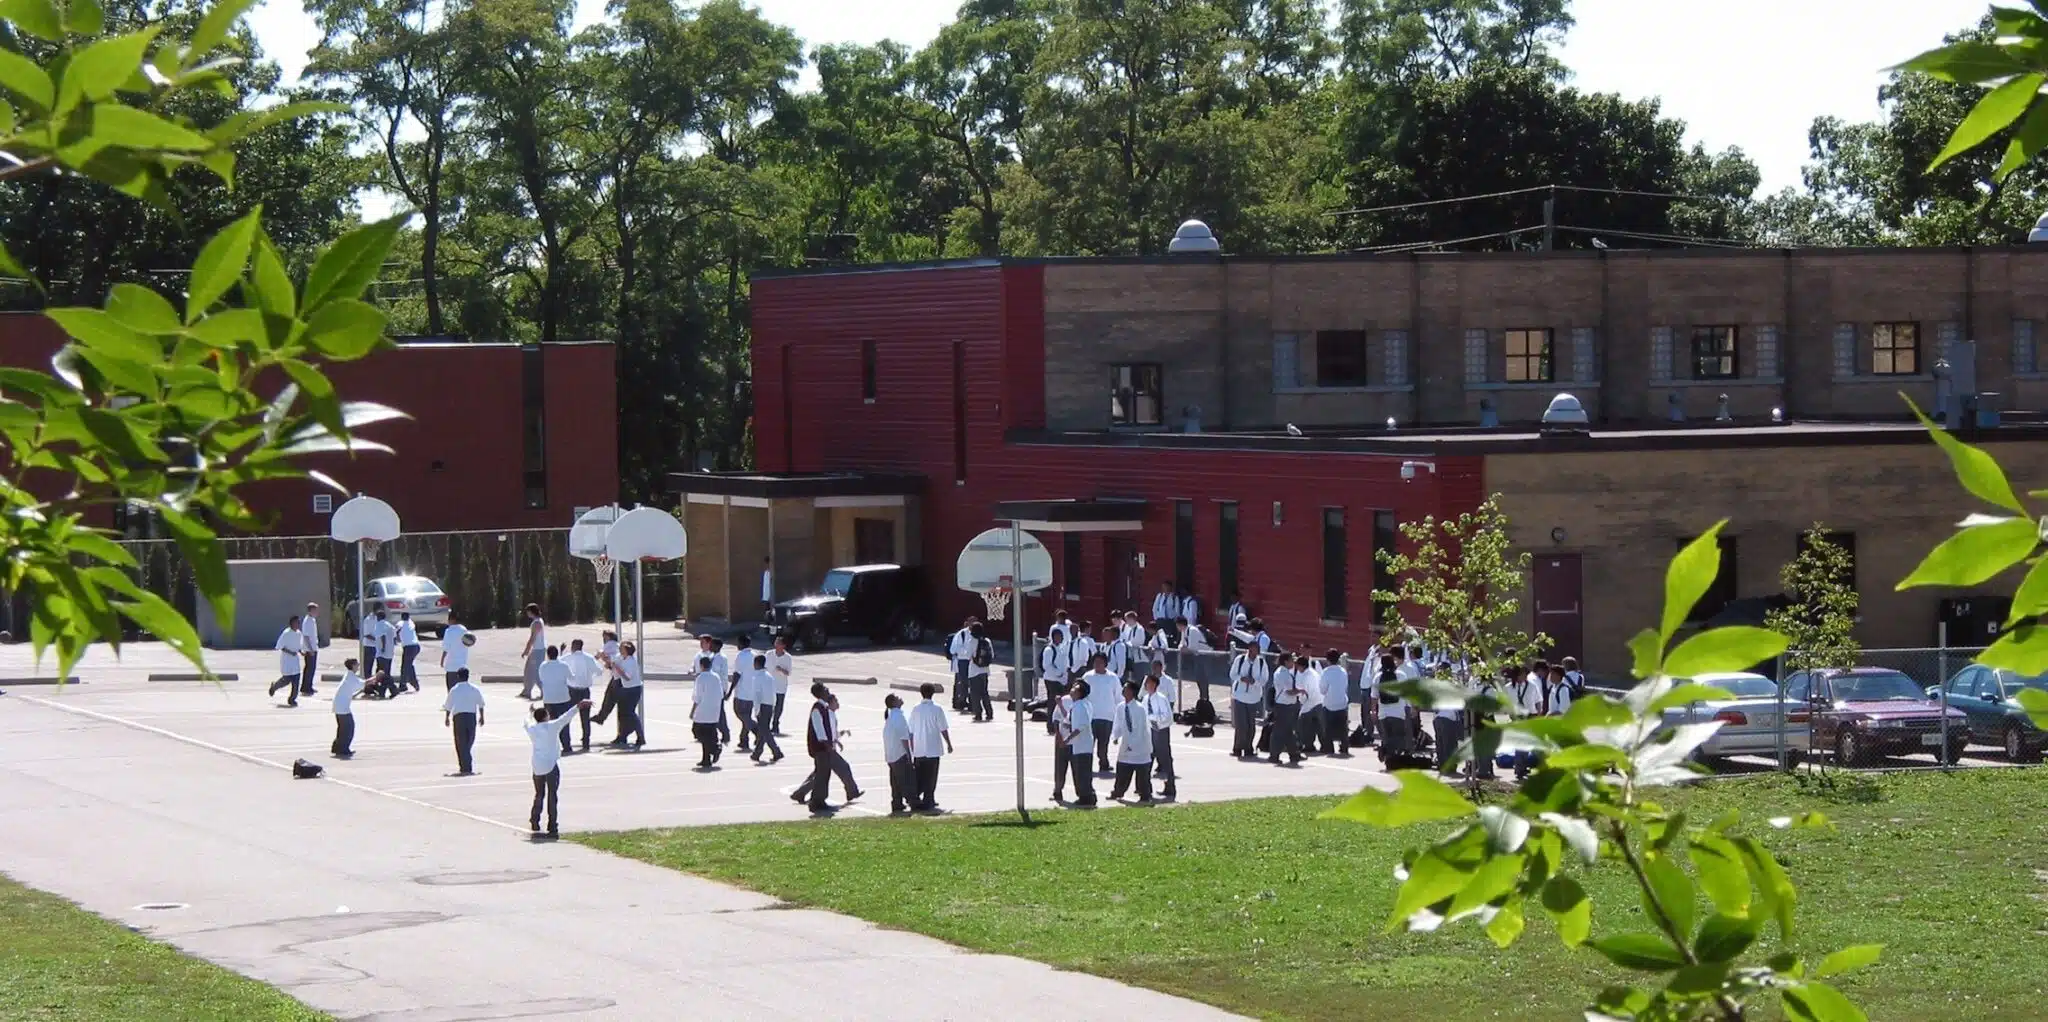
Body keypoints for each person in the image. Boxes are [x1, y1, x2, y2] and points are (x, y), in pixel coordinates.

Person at [791, 687, 863, 808]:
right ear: (820, 693)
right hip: (822, 748)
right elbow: (820, 731)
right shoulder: (818, 709)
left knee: (821, 773)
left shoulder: (824, 709)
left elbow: (830, 731)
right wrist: (828, 745)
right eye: (825, 690)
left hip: (826, 747)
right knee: (830, 772)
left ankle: (803, 794)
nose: (827, 690)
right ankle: (818, 801)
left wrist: (835, 740)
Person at [526, 699, 587, 837]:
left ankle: (535, 819)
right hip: (551, 765)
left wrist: (530, 713)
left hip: (537, 766)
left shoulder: (532, 729)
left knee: (539, 794)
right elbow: (565, 717)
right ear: (546, 717)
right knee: (552, 795)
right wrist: (578, 706)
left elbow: (527, 721)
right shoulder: (552, 726)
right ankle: (552, 824)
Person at [907, 682, 953, 813]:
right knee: (931, 776)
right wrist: (948, 743)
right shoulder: (937, 709)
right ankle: (929, 798)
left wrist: (912, 746)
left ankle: (918, 798)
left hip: (919, 748)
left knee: (919, 775)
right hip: (933, 748)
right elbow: (943, 728)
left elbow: (911, 730)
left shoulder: (916, 709)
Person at [1108, 681, 1155, 802]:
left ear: (1132, 692)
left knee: (1142, 773)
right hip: (1126, 744)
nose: (1123, 691)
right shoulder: (1121, 707)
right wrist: (1115, 736)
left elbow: (1140, 729)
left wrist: (1133, 745)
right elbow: (1118, 723)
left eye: (1126, 689)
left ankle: (1145, 795)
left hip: (1140, 745)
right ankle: (1118, 791)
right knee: (1122, 768)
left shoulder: (1139, 709)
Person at [1081, 652, 1119, 775]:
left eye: (1100, 662)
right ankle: (1086, 764)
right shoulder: (1087, 677)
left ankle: (1104, 763)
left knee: (1103, 743)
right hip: (1091, 716)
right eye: (1095, 662)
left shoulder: (1112, 678)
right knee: (1089, 743)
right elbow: (1081, 694)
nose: (1097, 665)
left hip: (1107, 715)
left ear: (1105, 663)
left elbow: (1118, 696)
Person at [1061, 679, 1097, 807]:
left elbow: (1081, 726)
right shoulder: (1077, 705)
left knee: (1082, 772)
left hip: (1082, 745)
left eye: (1075, 688)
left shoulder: (1081, 706)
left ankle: (1086, 797)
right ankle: (1086, 795)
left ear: (1080, 692)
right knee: (1081, 772)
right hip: (1079, 745)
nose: (1072, 689)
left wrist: (1068, 739)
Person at [1229, 643, 1268, 758]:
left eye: (1255, 651)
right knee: (1241, 724)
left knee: (1251, 725)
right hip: (1239, 696)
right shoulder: (1240, 659)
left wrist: (1254, 682)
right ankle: (1237, 747)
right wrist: (1241, 678)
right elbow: (1232, 674)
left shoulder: (1261, 663)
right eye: (1250, 651)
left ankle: (1248, 747)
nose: (1252, 654)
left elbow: (1264, 679)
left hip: (1253, 697)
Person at [1143, 671, 1177, 800]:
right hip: (1149, 732)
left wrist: (1156, 722)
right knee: (1148, 758)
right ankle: (1145, 786)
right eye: (1146, 684)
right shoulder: (1146, 699)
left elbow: (1167, 717)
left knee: (1165, 759)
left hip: (1160, 731)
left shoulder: (1161, 698)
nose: (1148, 686)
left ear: (1156, 685)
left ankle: (1170, 786)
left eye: (1150, 684)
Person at [1506, 664, 1544, 780]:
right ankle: (1519, 768)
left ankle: (1521, 766)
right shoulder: (1508, 688)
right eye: (1522, 674)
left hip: (1530, 716)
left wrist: (1538, 713)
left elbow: (1538, 700)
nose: (1524, 676)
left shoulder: (1532, 686)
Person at [443, 672, 485, 775]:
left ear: (458, 677)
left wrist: (447, 717)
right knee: (469, 740)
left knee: (460, 742)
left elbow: (448, 705)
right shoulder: (474, 689)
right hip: (471, 717)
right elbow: (481, 704)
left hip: (459, 717)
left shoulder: (454, 690)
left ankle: (465, 765)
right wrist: (482, 717)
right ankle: (466, 765)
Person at [1268, 651, 1305, 766]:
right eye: (1291, 660)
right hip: (1284, 705)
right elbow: (1289, 691)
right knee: (1280, 731)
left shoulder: (1284, 672)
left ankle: (1294, 754)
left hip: (1288, 705)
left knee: (1288, 731)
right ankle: (1274, 755)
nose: (1293, 662)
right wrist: (1300, 691)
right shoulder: (1282, 674)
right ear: (1286, 661)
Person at [537, 646, 575, 756]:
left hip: (549, 699)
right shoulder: (563, 665)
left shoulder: (543, 666)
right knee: (564, 723)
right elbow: (571, 677)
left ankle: (551, 746)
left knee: (549, 724)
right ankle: (567, 746)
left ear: (548, 655)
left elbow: (541, 678)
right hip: (563, 698)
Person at [563, 638, 599, 752]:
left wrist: (561, 651)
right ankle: (586, 742)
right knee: (585, 718)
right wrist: (589, 676)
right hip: (584, 690)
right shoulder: (589, 658)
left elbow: (558, 663)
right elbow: (599, 671)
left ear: (573, 646)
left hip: (571, 690)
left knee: (567, 717)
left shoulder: (567, 657)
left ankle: (567, 743)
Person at [747, 654, 784, 763]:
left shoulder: (757, 678)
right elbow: (774, 693)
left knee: (765, 730)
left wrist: (757, 710)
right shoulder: (769, 676)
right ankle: (757, 752)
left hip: (762, 706)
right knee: (763, 730)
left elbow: (757, 695)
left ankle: (776, 751)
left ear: (756, 664)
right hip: (770, 704)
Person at [882, 694, 915, 815]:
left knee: (895, 781)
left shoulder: (891, 717)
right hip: (899, 753)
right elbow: (904, 737)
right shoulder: (899, 716)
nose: (900, 698)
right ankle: (913, 801)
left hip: (891, 754)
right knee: (906, 779)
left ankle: (897, 803)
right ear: (894, 702)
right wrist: (909, 753)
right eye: (897, 697)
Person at [689, 655, 724, 767]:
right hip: (714, 710)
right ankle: (706, 758)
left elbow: (697, 697)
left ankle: (714, 749)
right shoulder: (716, 677)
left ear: (701, 666)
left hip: (702, 711)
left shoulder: (701, 678)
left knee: (698, 731)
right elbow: (720, 694)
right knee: (710, 734)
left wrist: (692, 711)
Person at [610, 640, 645, 749]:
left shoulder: (631, 661)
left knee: (630, 713)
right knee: (622, 714)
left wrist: (617, 668)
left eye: (622, 648)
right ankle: (622, 736)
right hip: (625, 689)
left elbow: (627, 677)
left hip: (633, 689)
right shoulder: (622, 659)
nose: (620, 650)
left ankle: (640, 736)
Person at [1038, 629, 1074, 733]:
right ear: (1054, 637)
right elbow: (1046, 665)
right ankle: (1051, 726)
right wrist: (1058, 673)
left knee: (1060, 704)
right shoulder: (1049, 650)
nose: (1061, 639)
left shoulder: (1060, 649)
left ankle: (1058, 725)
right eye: (1059, 636)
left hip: (1060, 680)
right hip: (1051, 680)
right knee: (1052, 703)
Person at [1049, 681, 1077, 802]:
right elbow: (1056, 718)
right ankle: (1057, 790)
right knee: (1060, 767)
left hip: (1076, 742)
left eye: (1076, 689)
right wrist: (1058, 735)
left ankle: (1082, 794)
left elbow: (1071, 721)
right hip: (1061, 739)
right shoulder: (1065, 699)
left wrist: (1060, 705)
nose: (1073, 690)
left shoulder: (1084, 704)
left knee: (1077, 769)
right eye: (1073, 687)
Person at [332, 658, 366, 758]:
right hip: (342, 707)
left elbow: (357, 688)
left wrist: (360, 691)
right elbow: (364, 683)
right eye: (357, 664)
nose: (358, 666)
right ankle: (343, 749)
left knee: (342, 728)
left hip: (339, 705)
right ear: (353, 666)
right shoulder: (351, 677)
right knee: (348, 728)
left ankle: (337, 747)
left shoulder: (349, 676)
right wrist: (377, 677)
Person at [1319, 650, 1350, 756]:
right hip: (1342, 702)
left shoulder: (1326, 672)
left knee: (1328, 727)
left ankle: (1329, 747)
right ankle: (1344, 746)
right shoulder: (1343, 671)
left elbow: (1322, 690)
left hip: (1329, 703)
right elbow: (1345, 686)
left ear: (1327, 660)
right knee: (1343, 727)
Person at [269, 615, 303, 706]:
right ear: (292, 623)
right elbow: (279, 646)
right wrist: (290, 652)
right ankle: (274, 686)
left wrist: (301, 652)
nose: (298, 624)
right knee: (286, 680)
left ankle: (292, 699)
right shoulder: (286, 633)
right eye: (296, 622)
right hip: (287, 660)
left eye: (299, 622)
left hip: (295, 662)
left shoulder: (299, 633)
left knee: (296, 682)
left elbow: (299, 645)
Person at [963, 623, 994, 723]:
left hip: (974, 671)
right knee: (984, 692)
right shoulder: (987, 640)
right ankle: (989, 713)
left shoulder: (971, 641)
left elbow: (967, 656)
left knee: (975, 694)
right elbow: (992, 655)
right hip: (985, 671)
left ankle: (978, 714)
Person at [730, 636, 755, 755]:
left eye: (738, 642)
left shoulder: (740, 656)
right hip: (752, 692)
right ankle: (744, 740)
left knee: (740, 713)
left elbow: (737, 675)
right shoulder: (754, 655)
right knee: (746, 715)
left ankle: (757, 730)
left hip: (742, 692)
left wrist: (730, 691)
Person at [948, 617, 978, 712]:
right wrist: (966, 653)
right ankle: (961, 701)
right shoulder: (962, 634)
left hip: (974, 661)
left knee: (973, 683)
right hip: (963, 661)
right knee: (963, 683)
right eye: (971, 623)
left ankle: (972, 703)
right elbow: (953, 649)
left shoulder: (978, 634)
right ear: (968, 623)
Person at [518, 603, 546, 700]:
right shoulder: (537, 621)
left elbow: (532, 638)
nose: (527, 613)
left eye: (528, 611)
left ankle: (544, 691)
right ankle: (527, 691)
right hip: (537, 650)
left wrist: (526, 650)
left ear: (531, 612)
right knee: (529, 671)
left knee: (536, 672)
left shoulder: (537, 623)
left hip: (538, 650)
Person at [768, 634, 795, 735]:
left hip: (781, 686)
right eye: (776, 642)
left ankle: (775, 724)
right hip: (770, 684)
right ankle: (767, 723)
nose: (776, 644)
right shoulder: (769, 654)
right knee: (769, 705)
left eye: (779, 643)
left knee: (779, 706)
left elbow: (789, 673)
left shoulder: (788, 657)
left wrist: (781, 670)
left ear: (783, 645)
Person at [440, 612, 471, 690]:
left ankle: (452, 702)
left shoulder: (448, 631)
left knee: (451, 689)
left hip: (451, 665)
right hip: (462, 664)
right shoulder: (464, 629)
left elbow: (445, 648)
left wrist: (442, 660)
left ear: (452, 620)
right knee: (462, 688)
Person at [395, 611, 421, 692]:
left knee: (405, 666)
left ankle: (405, 685)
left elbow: (396, 630)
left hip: (409, 647)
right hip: (416, 646)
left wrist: (396, 638)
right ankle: (412, 683)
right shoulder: (411, 623)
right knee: (408, 665)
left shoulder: (400, 623)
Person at [298, 603, 320, 696]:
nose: (317, 612)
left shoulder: (312, 620)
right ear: (310, 610)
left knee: (312, 668)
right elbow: (306, 636)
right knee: (309, 668)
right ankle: (305, 687)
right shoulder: (307, 621)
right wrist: (310, 649)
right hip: (309, 649)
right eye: (315, 610)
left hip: (314, 647)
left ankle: (309, 685)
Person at [760, 555, 775, 622]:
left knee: (769, 610)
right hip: (766, 596)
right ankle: (768, 620)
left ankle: (769, 620)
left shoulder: (769, 573)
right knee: (767, 610)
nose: (766, 565)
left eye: (767, 563)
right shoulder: (766, 572)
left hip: (769, 596)